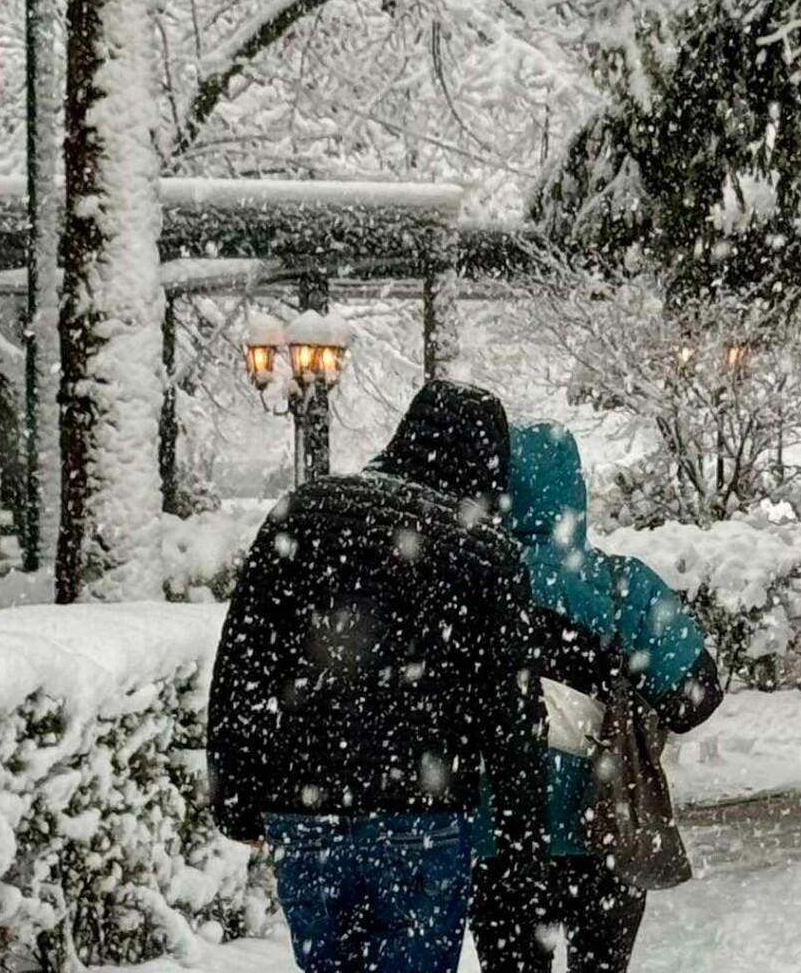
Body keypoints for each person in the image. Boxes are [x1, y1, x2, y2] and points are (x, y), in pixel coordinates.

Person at [207, 380, 550, 973]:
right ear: (489, 464)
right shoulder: (485, 553)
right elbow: (513, 714)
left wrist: (236, 798)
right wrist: (522, 849)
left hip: (305, 806)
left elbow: (242, 664)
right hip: (424, 815)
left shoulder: (303, 512)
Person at [473, 420, 723, 973]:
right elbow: (696, 697)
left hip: (498, 838)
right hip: (605, 823)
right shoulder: (621, 584)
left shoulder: (474, 581)